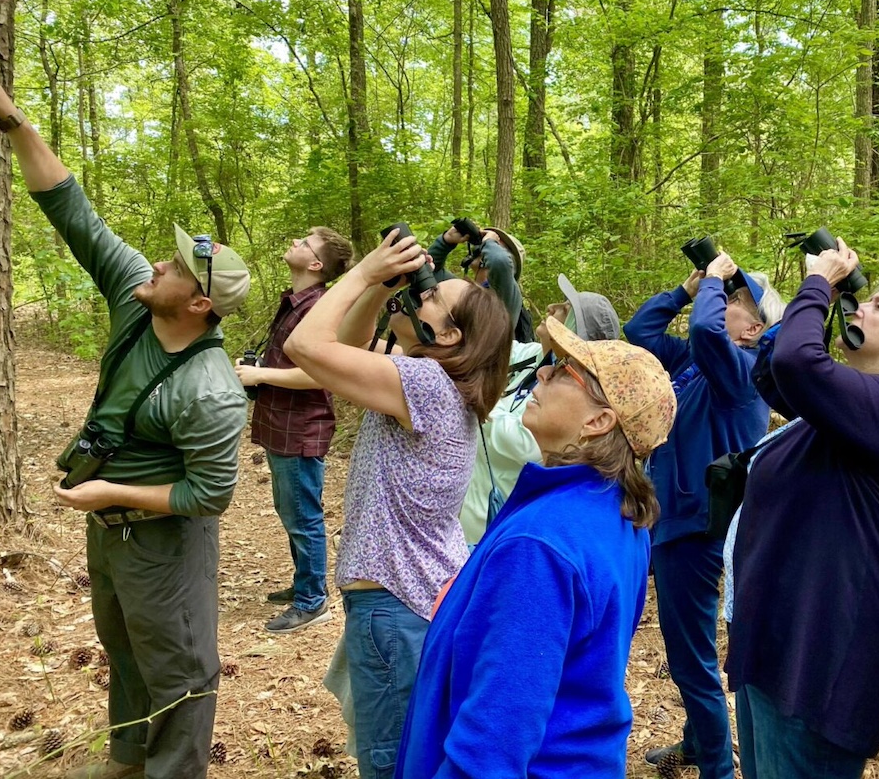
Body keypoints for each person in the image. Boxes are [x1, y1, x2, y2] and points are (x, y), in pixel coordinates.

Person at [0, 77, 250, 779]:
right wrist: (13, 120)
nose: (157, 261)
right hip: (107, 526)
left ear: (198, 303)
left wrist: (111, 491)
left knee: (179, 665)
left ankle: (173, 770)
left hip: (162, 539)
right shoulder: (137, 301)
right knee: (125, 645)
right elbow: (74, 212)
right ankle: (128, 758)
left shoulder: (211, 391)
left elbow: (210, 496)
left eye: (174, 266)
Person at [726, 242, 879, 779]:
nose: (862, 308)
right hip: (780, 645)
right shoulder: (845, 416)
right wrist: (822, 296)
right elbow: (774, 370)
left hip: (823, 661)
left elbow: (797, 360)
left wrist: (820, 282)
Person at [394, 317, 677, 778]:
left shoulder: (541, 543)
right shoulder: (618, 513)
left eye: (566, 371)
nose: (543, 373)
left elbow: (493, 741)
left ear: (598, 421)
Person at [284, 229, 512, 779]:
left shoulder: (428, 384)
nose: (422, 292)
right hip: (413, 597)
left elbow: (306, 348)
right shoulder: (437, 381)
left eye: (432, 295)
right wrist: (384, 289)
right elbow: (351, 343)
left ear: (449, 334)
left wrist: (362, 273)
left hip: (395, 606)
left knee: (392, 764)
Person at [623, 253, 784, 779]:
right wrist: (687, 289)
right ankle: (697, 743)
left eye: (733, 303)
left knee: (691, 660)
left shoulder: (742, 375)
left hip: (698, 530)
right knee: (688, 649)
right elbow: (638, 332)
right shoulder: (696, 365)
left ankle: (716, 767)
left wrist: (716, 281)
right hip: (677, 523)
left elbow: (707, 334)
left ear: (754, 329)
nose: (721, 307)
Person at [235, 227, 354, 633]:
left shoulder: (317, 307)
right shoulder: (295, 301)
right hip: (279, 422)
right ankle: (304, 582)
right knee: (291, 510)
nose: (295, 242)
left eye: (304, 242)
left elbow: (318, 374)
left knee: (303, 515)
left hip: (300, 427)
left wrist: (257, 374)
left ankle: (312, 600)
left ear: (316, 265)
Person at [459, 274, 621, 546]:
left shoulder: (577, 396)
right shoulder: (533, 357)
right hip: (465, 517)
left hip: (499, 529)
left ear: (574, 330)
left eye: (564, 309)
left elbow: (526, 444)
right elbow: (483, 351)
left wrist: (473, 400)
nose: (551, 309)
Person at [429, 219, 534, 342]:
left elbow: (499, 262)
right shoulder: (464, 290)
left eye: (498, 244)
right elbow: (430, 272)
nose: (483, 245)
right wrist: (446, 241)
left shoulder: (507, 296)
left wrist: (490, 241)